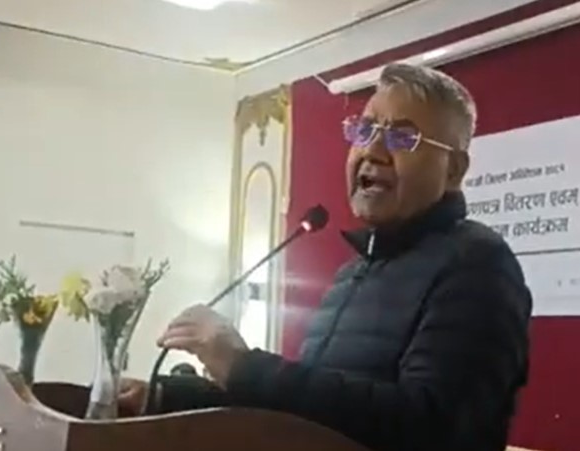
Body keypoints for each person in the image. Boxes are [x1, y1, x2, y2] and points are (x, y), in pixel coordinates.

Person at [119, 63, 533, 451]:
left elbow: (427, 427)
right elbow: (307, 415)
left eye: (402, 138)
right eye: (364, 130)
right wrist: (168, 398)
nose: (373, 151)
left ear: (454, 170)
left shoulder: (478, 266)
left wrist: (245, 368)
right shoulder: (353, 273)